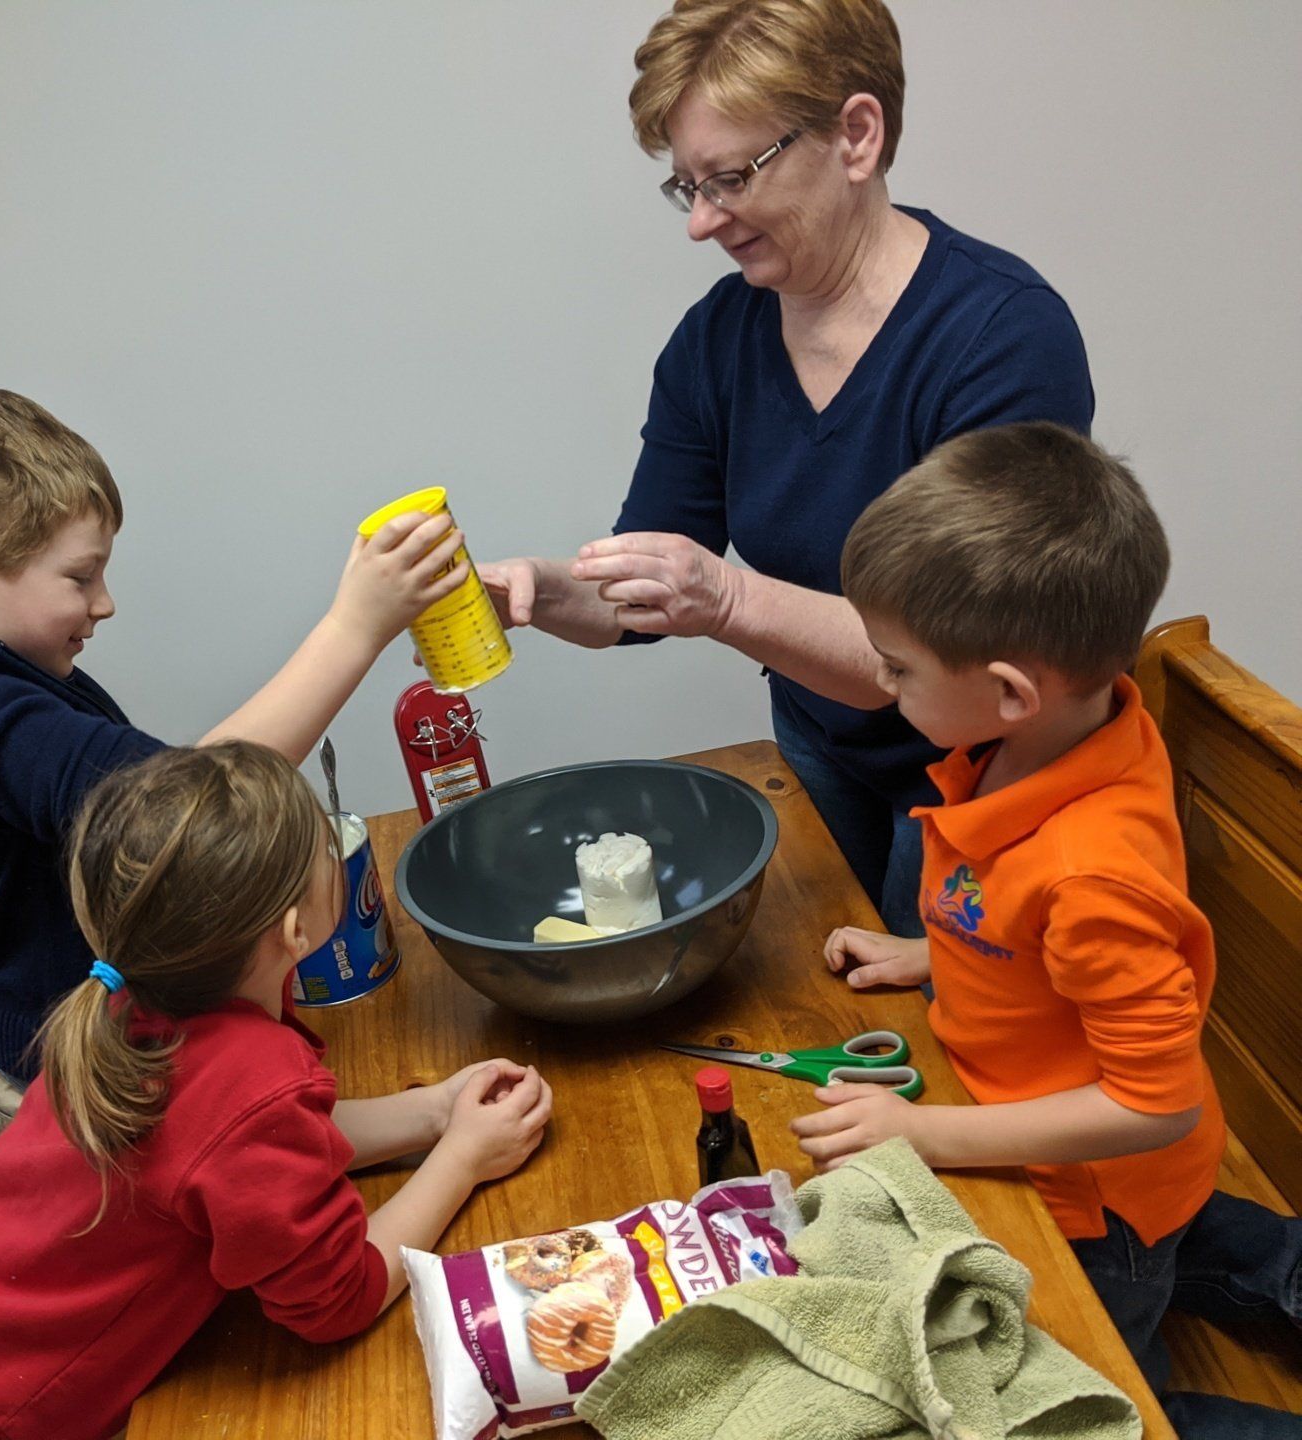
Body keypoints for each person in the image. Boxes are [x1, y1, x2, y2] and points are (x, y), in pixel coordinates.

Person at [484, 0, 1093, 937]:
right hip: (820, 742)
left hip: (984, 771)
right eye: (684, 187)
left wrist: (728, 600)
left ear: (856, 134)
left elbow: (947, 664)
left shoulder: (1002, 339)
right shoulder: (717, 342)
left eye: (728, 179)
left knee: (932, 1032)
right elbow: (653, 583)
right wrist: (536, 591)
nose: (700, 224)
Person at [0, 742, 555, 1440]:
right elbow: (338, 1297)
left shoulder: (123, 1000)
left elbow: (245, 1153)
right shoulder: (251, 1085)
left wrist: (430, 1114)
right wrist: (460, 1159)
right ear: (294, 931)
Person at [792, 422, 1302, 1437]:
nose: (883, 687)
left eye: (896, 670)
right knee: (1195, 1241)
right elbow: (1023, 928)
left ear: (1010, 693)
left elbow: (1151, 1104)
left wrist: (919, 1131)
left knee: (1088, 1405)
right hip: (1109, 1166)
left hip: (1096, 1195)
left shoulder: (1093, 871)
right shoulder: (1055, 737)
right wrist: (937, 950)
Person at [0, 386, 465, 1136]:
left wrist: (435, 1114)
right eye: (80, 577)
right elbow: (187, 808)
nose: (104, 602)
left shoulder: (7, 683)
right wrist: (355, 628)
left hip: (123, 1054)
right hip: (70, 1090)